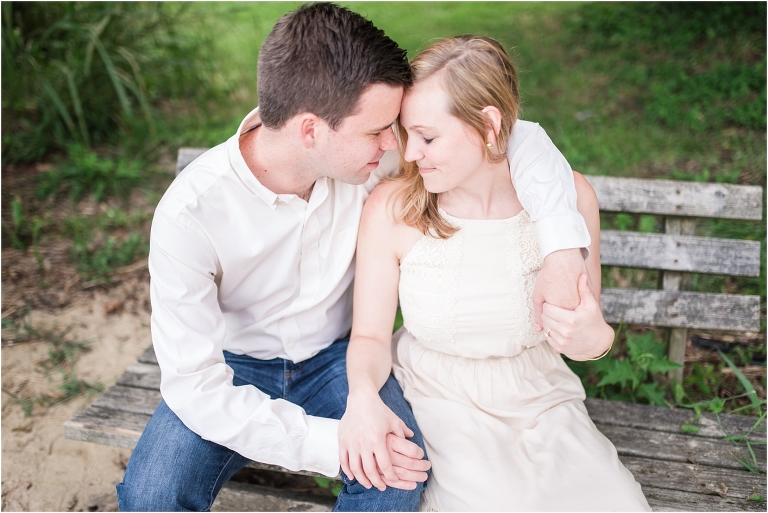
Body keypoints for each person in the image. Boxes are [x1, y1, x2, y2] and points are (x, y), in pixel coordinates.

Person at [116, 3, 592, 511]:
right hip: (232, 370)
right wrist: (334, 446)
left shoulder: (363, 155)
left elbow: (511, 136)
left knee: (397, 478)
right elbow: (196, 388)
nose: (397, 146)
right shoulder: (189, 214)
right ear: (310, 131)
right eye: (378, 131)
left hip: (337, 361)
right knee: (151, 496)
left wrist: (563, 249)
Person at [339, 35, 651, 511]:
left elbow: (589, 341)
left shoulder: (567, 203)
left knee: (618, 504)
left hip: (540, 398)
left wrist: (594, 337)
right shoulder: (393, 209)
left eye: (428, 136)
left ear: (488, 125)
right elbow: (369, 337)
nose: (411, 153)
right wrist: (362, 396)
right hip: (438, 399)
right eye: (407, 134)